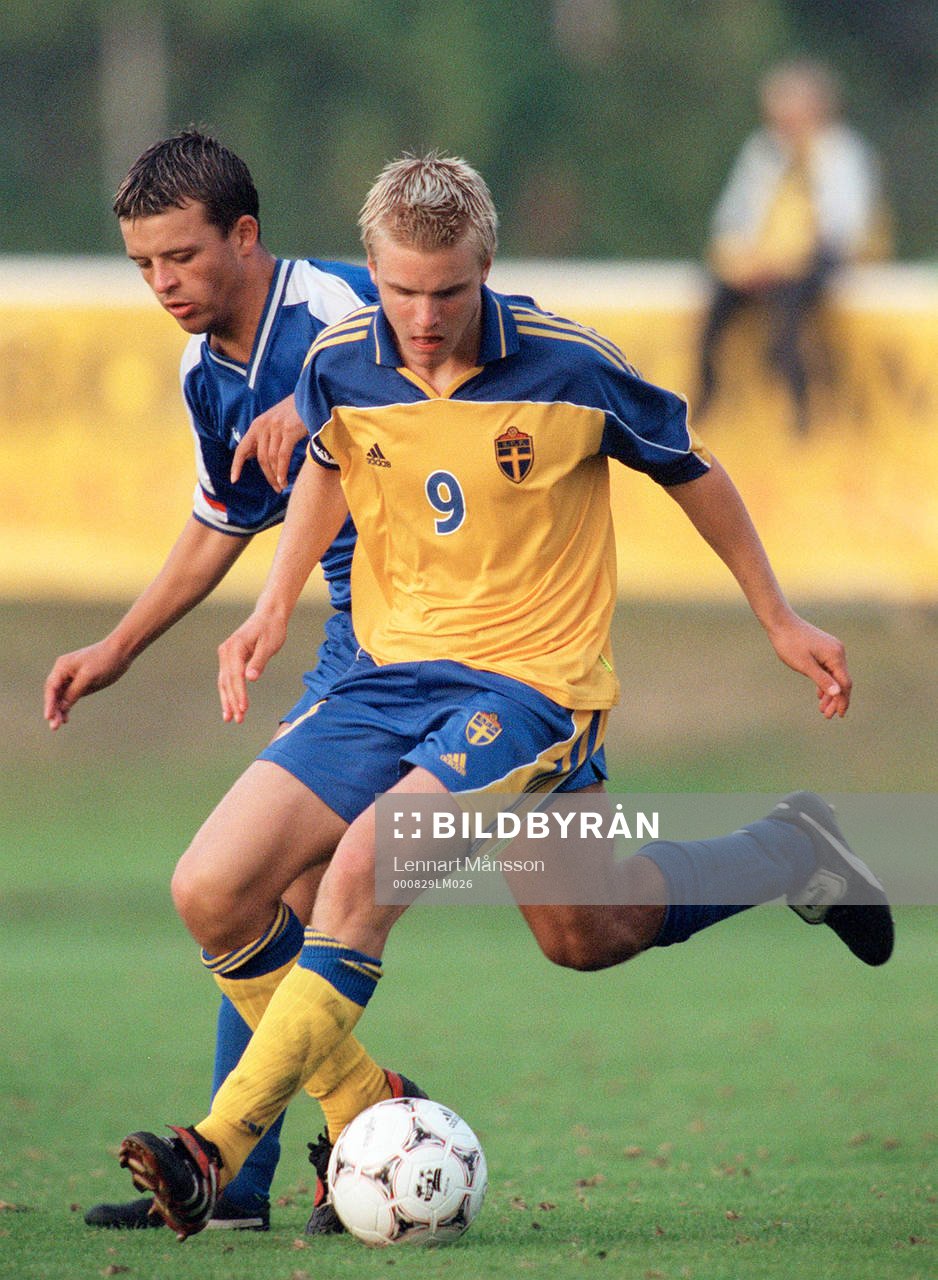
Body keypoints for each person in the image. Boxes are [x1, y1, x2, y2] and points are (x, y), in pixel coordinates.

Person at [115, 153, 892, 1242]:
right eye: (398, 289)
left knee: (358, 878)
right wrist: (272, 606)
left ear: (485, 266)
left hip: (531, 690)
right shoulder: (342, 356)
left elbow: (690, 466)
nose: (421, 317)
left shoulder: (569, 366)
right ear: (372, 272)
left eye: (445, 290)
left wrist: (776, 616)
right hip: (389, 681)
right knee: (227, 887)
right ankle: (785, 851)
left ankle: (216, 1145)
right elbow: (330, 462)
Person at [42, 128, 396, 1232]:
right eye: (144, 265)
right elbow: (218, 523)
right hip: (362, 650)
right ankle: (259, 1171)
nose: (162, 285)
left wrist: (333, 388)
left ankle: (367, 1125)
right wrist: (118, 646)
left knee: (587, 911)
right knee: (263, 899)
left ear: (244, 237)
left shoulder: (342, 310)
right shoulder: (208, 371)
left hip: (460, 637)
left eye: (181, 258)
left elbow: (444, 334)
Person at [695, 59, 890, 433]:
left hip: (815, 260)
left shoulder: (841, 153)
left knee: (788, 312)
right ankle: (705, 398)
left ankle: (803, 414)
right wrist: (741, 255)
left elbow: (845, 228)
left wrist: (783, 259)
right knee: (715, 304)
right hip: (763, 261)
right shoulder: (763, 151)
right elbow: (735, 215)